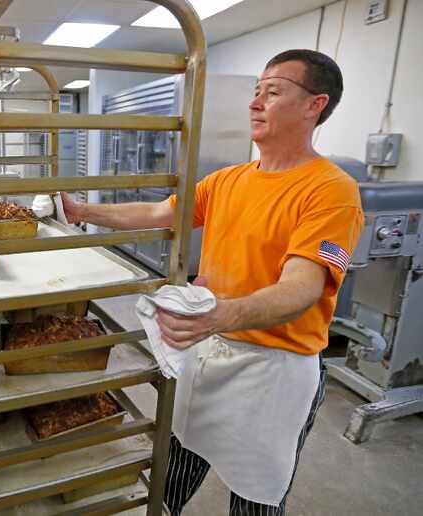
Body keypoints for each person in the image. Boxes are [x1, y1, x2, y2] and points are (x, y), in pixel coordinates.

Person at [62, 49, 363, 515]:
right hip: (210, 352)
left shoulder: (331, 191)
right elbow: (162, 212)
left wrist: (219, 313)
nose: (255, 102)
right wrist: (83, 211)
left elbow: (302, 288)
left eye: (273, 92)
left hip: (273, 371)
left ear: (314, 105)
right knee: (174, 468)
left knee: (257, 498)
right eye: (255, 91)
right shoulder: (228, 180)